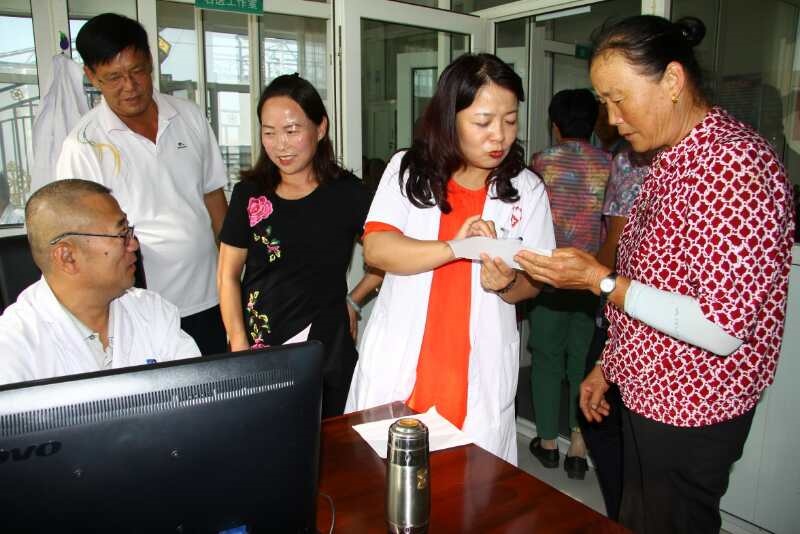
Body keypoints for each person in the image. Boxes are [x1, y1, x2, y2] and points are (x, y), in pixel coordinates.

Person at [516, 16, 795, 533]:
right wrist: (609, 367)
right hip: (651, 391)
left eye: (619, 99)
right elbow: (656, 284)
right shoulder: (669, 160)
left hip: (693, 406)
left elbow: (721, 326)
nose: (612, 119)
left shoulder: (732, 167)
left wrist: (599, 281)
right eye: (603, 102)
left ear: (671, 80)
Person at [346, 53, 556, 464]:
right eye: (483, 122)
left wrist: (507, 284)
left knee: (469, 490)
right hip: (401, 370)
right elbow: (377, 249)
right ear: (449, 118)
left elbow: (533, 283)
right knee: (382, 484)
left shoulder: (526, 190)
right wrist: (455, 248)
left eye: (510, 120)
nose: (499, 136)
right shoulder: (408, 171)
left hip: (477, 376)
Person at [55, 13, 228, 355]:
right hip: (137, 312)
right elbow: (81, 239)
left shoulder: (189, 116)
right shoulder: (84, 146)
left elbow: (214, 198)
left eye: (136, 71)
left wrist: (233, 276)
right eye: (113, 77)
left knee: (215, 385)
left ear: (150, 61)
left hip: (210, 296)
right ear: (91, 75)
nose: (130, 86)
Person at [217, 74, 381, 418]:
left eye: (292, 131)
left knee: (329, 440)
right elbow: (227, 274)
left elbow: (388, 254)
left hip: (326, 346)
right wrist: (239, 345)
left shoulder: (348, 194)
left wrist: (355, 299)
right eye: (269, 132)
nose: (281, 145)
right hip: (259, 345)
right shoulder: (249, 194)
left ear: (320, 128)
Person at [0, 179, 199, 385]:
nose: (133, 244)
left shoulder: (152, 313)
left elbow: (196, 393)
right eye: (122, 234)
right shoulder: (13, 348)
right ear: (68, 257)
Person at [526, 89, 610, 480]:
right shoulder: (610, 165)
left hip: (548, 278)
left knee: (546, 359)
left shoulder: (540, 163)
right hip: (593, 280)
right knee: (583, 360)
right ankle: (578, 446)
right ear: (594, 124)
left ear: (555, 126)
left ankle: (547, 444)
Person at [581, 145, 654, 520]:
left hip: (630, 311)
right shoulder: (631, 159)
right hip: (627, 318)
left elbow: (616, 243)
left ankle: (623, 515)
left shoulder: (629, 160)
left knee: (607, 422)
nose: (613, 118)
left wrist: (591, 278)